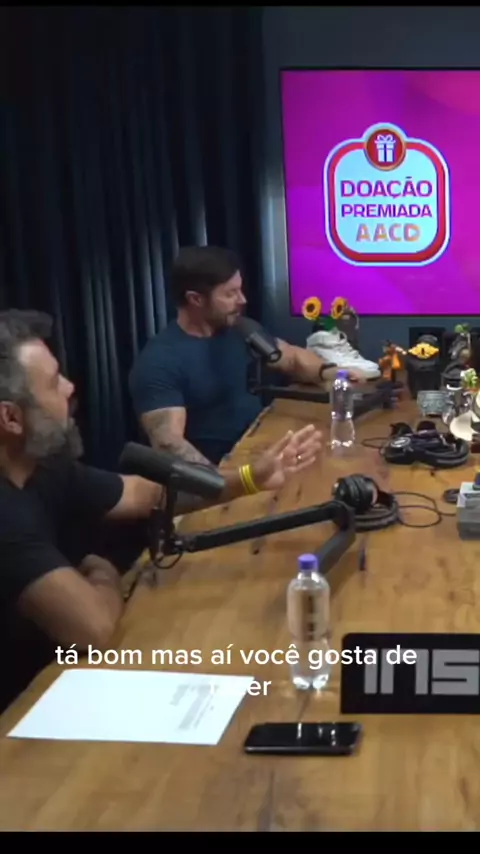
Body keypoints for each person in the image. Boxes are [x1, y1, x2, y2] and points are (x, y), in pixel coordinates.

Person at [0, 310, 321, 711]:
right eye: (52, 383)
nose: (69, 387)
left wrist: (251, 478)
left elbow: (144, 493)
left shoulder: (43, 467)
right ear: (10, 418)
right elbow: (93, 628)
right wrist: (103, 571)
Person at [129, 246, 371, 468]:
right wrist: (225, 484)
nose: (242, 300)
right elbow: (168, 444)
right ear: (196, 299)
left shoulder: (240, 329)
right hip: (221, 475)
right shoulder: (159, 361)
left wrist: (331, 373)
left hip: (261, 454)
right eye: (230, 294)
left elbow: (292, 358)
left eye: (240, 290)